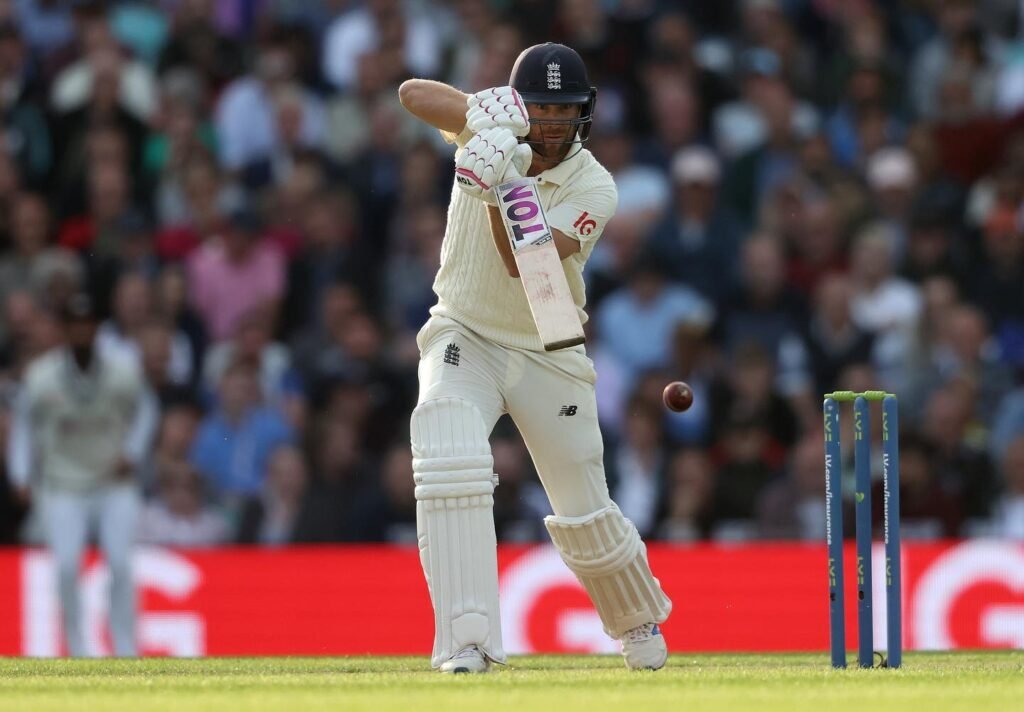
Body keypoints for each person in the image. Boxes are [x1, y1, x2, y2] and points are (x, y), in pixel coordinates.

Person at [398, 42, 671, 674]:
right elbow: (412, 94)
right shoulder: (488, 126)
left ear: (583, 114)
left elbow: (529, 266)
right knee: (446, 443)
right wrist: (480, 113)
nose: (551, 124)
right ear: (521, 106)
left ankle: (636, 620)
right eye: (539, 109)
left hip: (548, 342)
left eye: (563, 111)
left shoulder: (596, 186)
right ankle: (468, 642)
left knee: (584, 502)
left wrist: (503, 183)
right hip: (465, 327)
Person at [6, 293, 156, 657]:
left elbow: (147, 409)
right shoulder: (42, 376)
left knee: (120, 563)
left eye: (88, 326)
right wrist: (21, 474)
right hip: (63, 485)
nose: (82, 333)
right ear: (64, 331)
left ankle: (124, 650)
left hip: (113, 482)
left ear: (96, 328)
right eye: (74, 326)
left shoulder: (123, 369)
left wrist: (133, 452)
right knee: (67, 566)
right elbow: (24, 428)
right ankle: (78, 651)